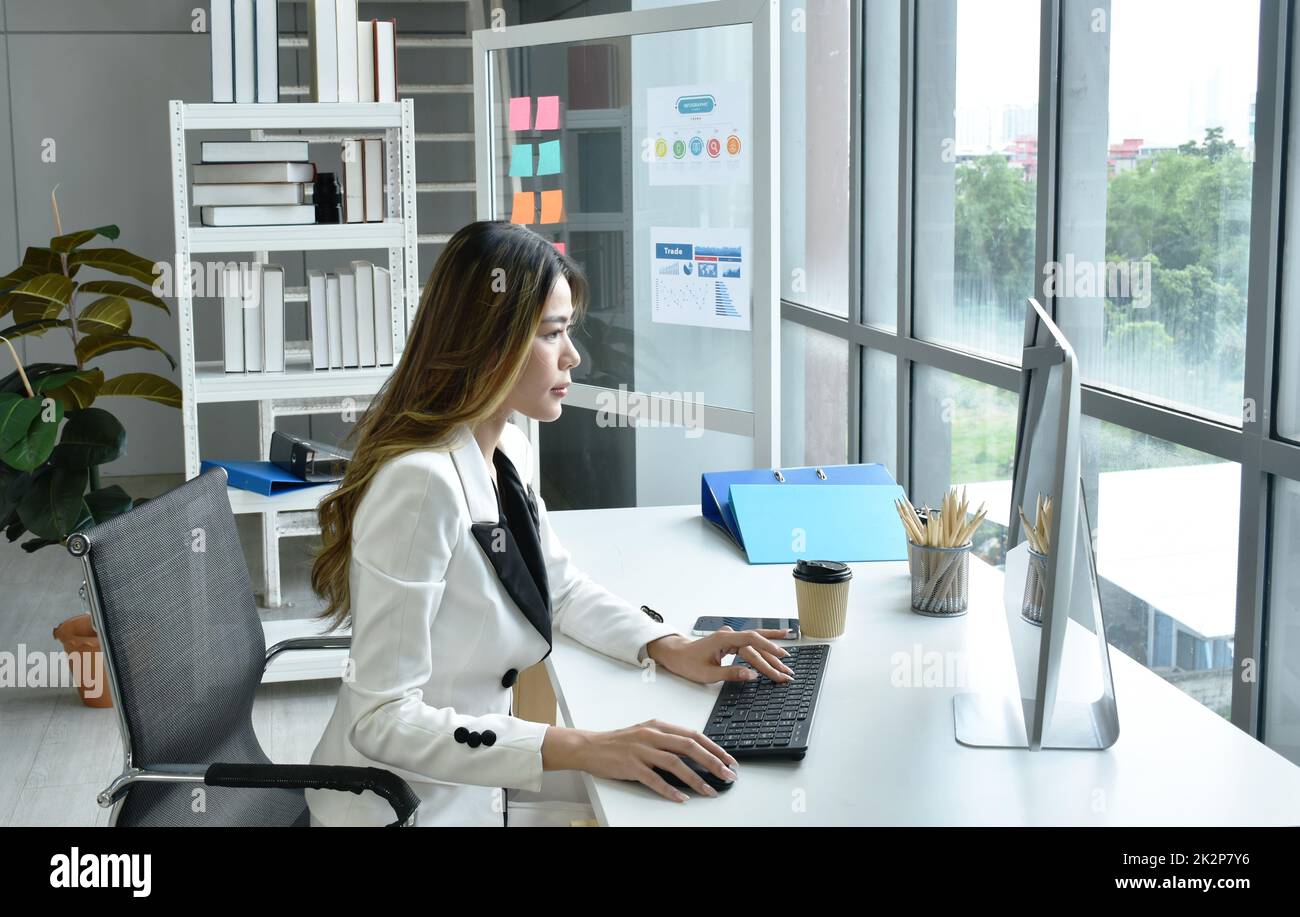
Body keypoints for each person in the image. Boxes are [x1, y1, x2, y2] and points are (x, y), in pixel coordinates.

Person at [304, 220, 795, 826]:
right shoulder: (421, 485)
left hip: (474, 782)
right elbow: (381, 719)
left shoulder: (507, 448)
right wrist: (586, 746)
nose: (573, 355)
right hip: (402, 806)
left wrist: (668, 646)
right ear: (490, 343)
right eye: (551, 334)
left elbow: (556, 587)